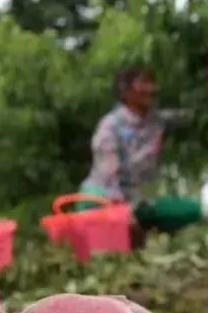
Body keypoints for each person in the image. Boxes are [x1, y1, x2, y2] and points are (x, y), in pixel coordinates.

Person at [78, 65, 195, 247]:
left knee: (190, 210)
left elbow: (189, 115)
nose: (151, 88)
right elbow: (109, 176)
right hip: (103, 196)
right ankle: (108, 237)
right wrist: (123, 214)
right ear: (125, 91)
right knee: (101, 208)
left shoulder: (156, 120)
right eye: (143, 83)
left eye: (151, 83)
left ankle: (139, 233)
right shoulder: (110, 126)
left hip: (136, 199)